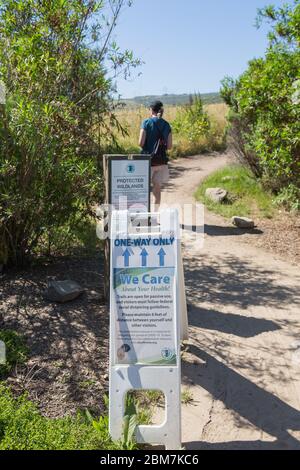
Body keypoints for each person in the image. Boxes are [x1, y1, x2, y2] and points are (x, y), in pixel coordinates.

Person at [139, 100, 172, 209]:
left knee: (144, 189)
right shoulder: (167, 125)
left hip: (147, 161)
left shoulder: (146, 123)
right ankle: (154, 216)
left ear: (151, 110)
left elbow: (141, 143)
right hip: (161, 161)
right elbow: (169, 146)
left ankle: (144, 215)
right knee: (157, 189)